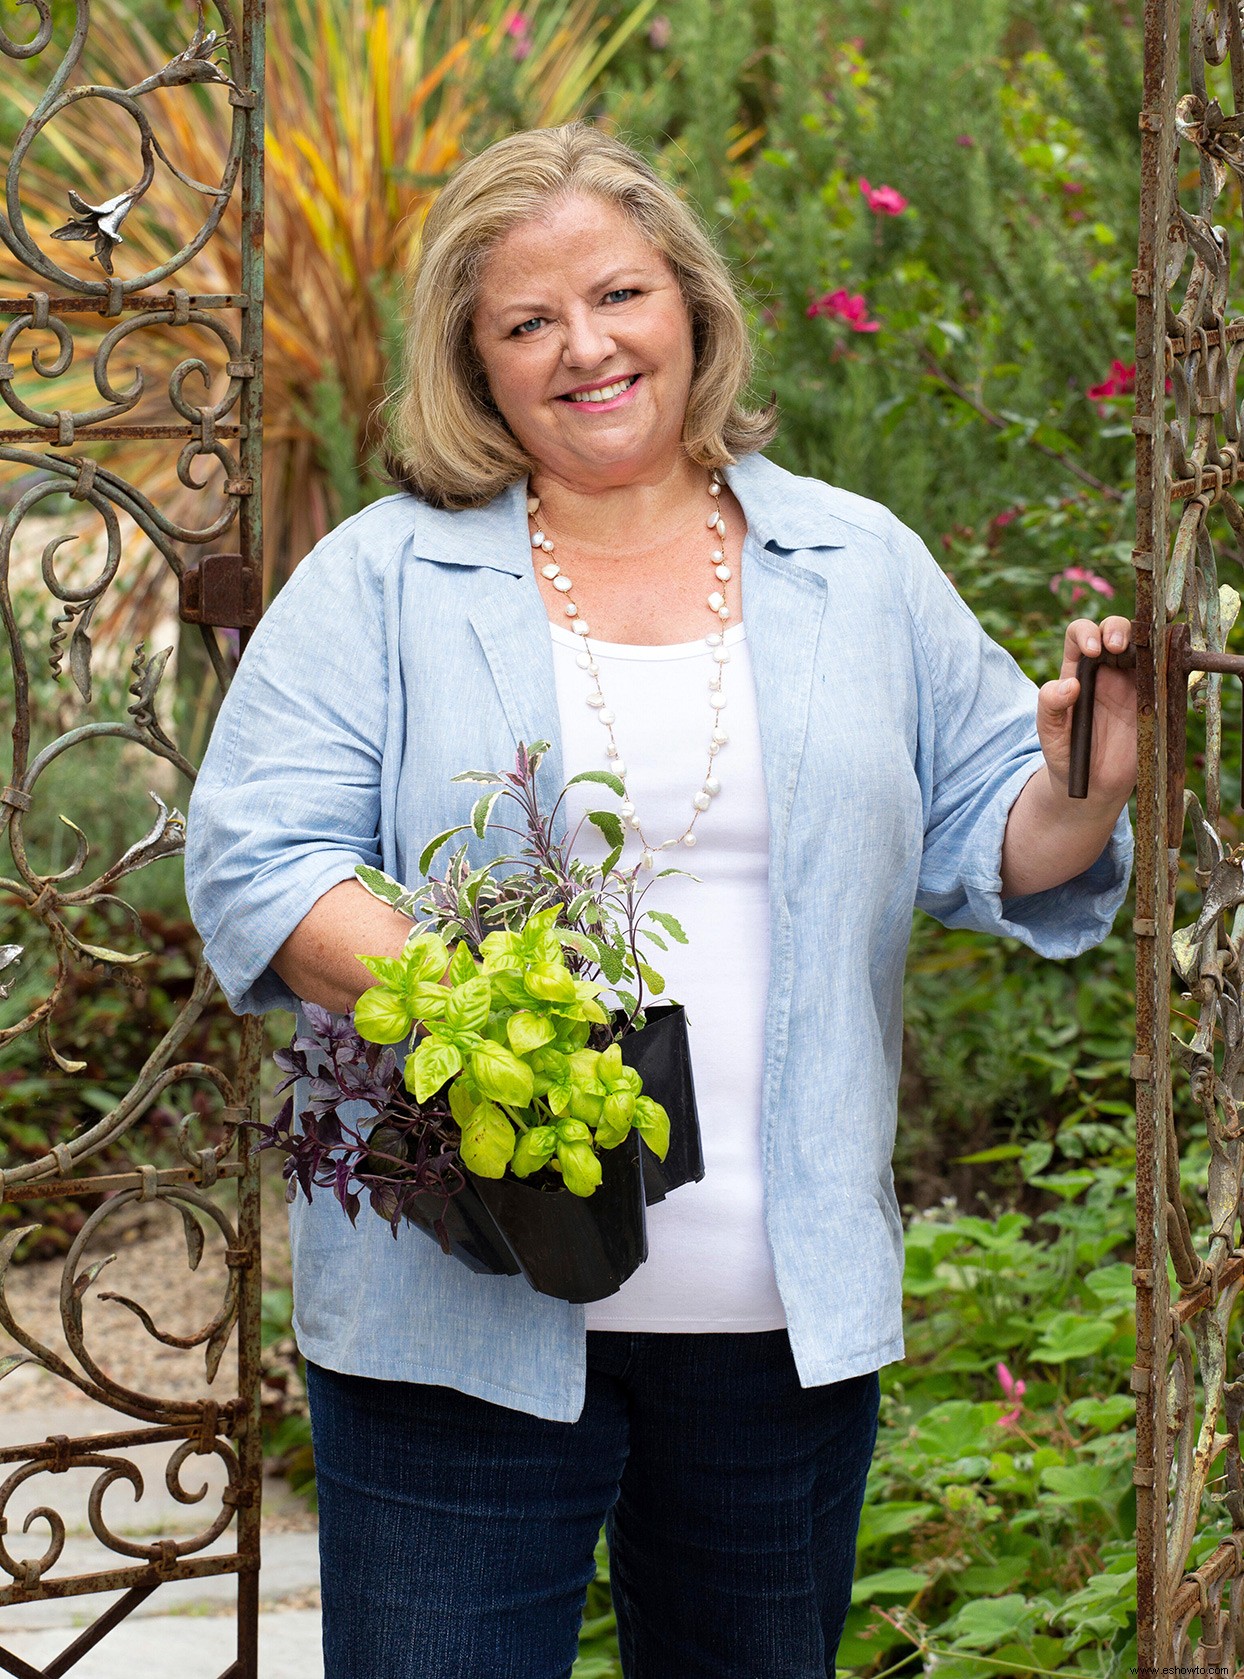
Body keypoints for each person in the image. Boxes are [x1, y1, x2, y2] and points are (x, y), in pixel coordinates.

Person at [185, 122, 1136, 1679]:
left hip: (775, 1331)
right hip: (454, 1325)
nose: (587, 348)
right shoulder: (385, 579)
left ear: (690, 303)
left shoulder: (858, 563)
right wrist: (500, 1024)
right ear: (474, 365)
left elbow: (994, 836)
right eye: (527, 322)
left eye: (620, 295)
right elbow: (258, 858)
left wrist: (1085, 784)